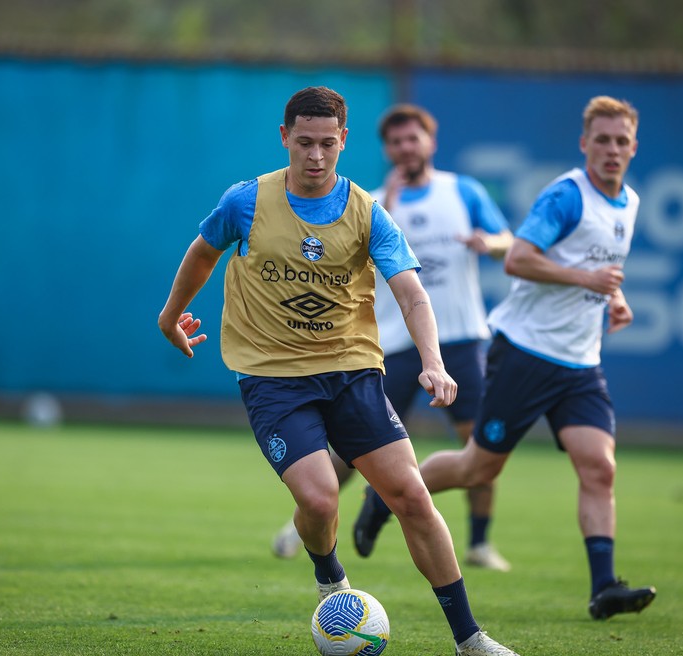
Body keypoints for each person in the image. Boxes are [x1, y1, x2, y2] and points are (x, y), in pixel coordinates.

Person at [158, 86, 521, 655]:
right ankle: (330, 576)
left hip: (352, 372)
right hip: (273, 378)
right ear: (284, 138)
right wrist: (170, 316)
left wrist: (432, 361)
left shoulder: (367, 211)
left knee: (411, 497)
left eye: (328, 144)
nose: (316, 156)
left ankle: (470, 638)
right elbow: (203, 251)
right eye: (304, 143)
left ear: (344, 141)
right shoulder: (246, 202)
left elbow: (412, 293)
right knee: (322, 499)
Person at [353, 95, 657, 621]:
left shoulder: (629, 201)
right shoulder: (566, 196)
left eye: (621, 141)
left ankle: (604, 586)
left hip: (582, 363)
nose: (612, 149)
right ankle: (383, 499)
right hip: (526, 354)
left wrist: (615, 296)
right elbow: (518, 257)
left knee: (599, 467)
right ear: (585, 144)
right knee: (475, 466)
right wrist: (588, 280)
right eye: (601, 140)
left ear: (634, 147)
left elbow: (602, 262)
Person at [272, 103, 515, 572]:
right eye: (397, 142)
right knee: (353, 448)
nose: (406, 148)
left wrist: (492, 244)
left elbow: (507, 238)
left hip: (460, 339)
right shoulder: (373, 203)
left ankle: (480, 542)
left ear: (431, 142)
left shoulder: (462, 191)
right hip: (391, 345)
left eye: (413, 139)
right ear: (386, 149)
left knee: (479, 446)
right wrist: (394, 207)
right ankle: (306, 518)